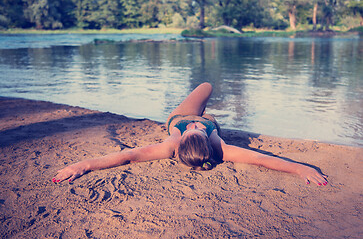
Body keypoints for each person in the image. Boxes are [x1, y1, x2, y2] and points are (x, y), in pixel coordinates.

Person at [52, 82, 328, 186]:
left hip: (180, 115)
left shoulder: (171, 142)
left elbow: (129, 156)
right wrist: (298, 168)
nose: (194, 128)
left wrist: (83, 165)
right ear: (207, 142)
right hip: (210, 119)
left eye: (193, 131)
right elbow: (261, 158)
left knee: (205, 86)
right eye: (194, 131)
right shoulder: (219, 146)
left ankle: (198, 103)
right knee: (207, 86)